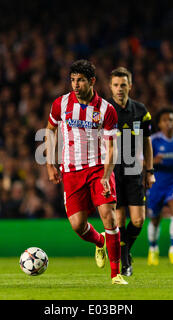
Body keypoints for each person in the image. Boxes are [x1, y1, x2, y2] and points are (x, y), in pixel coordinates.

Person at [45, 59, 127, 284]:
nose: (75, 85)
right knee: (77, 225)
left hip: (98, 168)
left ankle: (116, 274)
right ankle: (99, 242)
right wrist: (50, 164)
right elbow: (50, 131)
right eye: (72, 80)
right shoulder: (60, 104)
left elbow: (112, 148)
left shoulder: (106, 110)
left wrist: (106, 176)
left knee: (108, 217)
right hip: (71, 171)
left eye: (80, 80)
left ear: (91, 81)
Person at [107, 67, 155, 276]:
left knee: (137, 221)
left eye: (123, 85)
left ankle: (124, 252)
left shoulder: (141, 111)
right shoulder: (105, 111)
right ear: (110, 87)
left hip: (134, 169)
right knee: (119, 220)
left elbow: (147, 142)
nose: (119, 89)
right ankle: (125, 263)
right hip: (113, 171)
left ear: (130, 86)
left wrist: (150, 170)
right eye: (116, 85)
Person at [147, 108, 173, 266]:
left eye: (171, 120)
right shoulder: (154, 140)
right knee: (155, 219)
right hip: (157, 184)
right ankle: (153, 249)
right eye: (165, 120)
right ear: (159, 123)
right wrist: (153, 162)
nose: (168, 123)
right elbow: (142, 162)